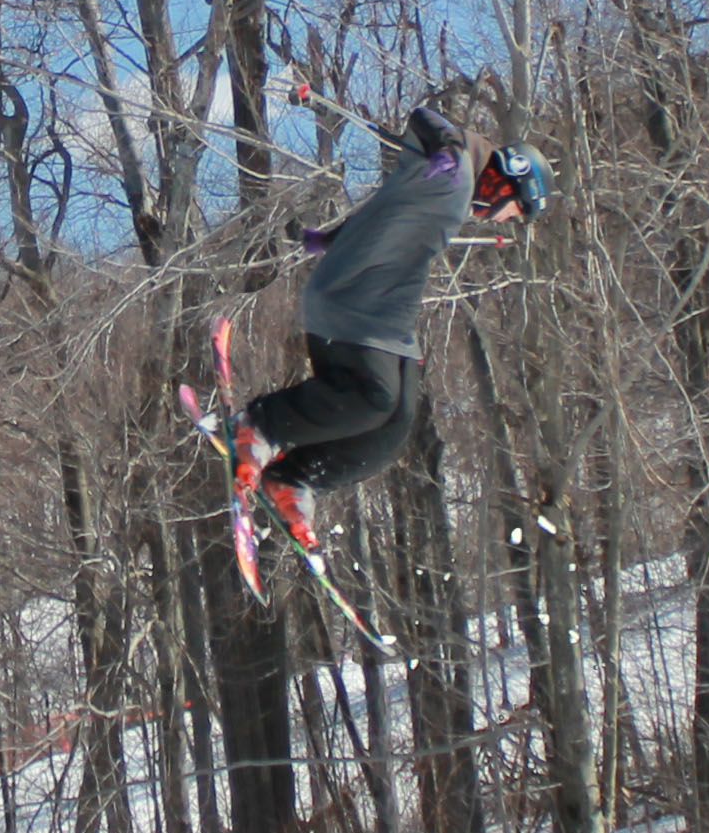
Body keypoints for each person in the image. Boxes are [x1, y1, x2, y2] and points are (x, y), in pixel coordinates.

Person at [234, 101, 548, 534]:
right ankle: (260, 424)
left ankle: (295, 477)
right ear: (506, 178)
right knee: (373, 397)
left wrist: (329, 238)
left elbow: (387, 209)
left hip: (385, 314)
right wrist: (447, 145)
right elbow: (421, 116)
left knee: (394, 425)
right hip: (352, 298)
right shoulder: (453, 172)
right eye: (512, 209)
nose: (501, 217)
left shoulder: (452, 193)